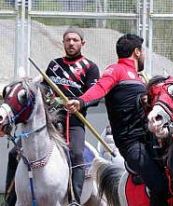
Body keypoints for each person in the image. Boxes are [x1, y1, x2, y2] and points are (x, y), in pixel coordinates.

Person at [66, 33, 168, 206]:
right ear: (136, 52)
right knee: (160, 186)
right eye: (142, 51)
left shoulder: (139, 77)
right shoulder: (117, 69)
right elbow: (100, 87)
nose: (143, 55)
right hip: (132, 144)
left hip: (151, 139)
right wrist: (81, 101)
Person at [4, 27, 101, 206]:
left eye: (75, 40)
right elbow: (45, 91)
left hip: (73, 121)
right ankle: (10, 199)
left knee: (77, 154)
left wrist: (78, 102)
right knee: (13, 153)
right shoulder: (54, 65)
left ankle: (74, 199)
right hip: (50, 120)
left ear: (82, 43)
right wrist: (50, 98)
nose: (71, 43)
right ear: (63, 43)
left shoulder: (90, 67)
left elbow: (95, 95)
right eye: (67, 40)